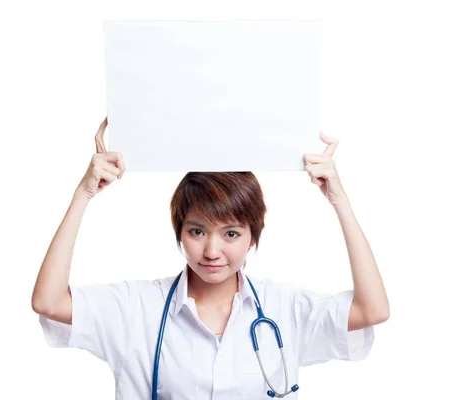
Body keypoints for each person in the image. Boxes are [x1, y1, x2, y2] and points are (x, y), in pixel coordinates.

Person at [32, 117, 389, 399]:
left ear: (253, 236)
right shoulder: (135, 307)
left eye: (231, 233)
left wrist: (339, 200)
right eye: (197, 231)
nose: (212, 251)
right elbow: (48, 301)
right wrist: (84, 193)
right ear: (179, 232)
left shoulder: (285, 309)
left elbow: (373, 311)